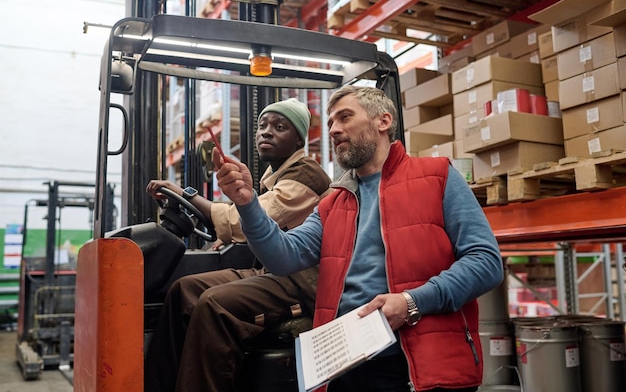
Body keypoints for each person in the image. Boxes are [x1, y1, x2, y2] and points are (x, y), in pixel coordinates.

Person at [215, 85, 504, 392]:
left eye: (345, 117)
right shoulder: (333, 203)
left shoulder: (438, 176)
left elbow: (486, 263)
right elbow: (284, 256)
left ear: (383, 121)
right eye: (330, 123)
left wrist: (411, 302)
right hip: (344, 363)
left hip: (415, 365)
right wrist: (247, 205)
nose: (334, 129)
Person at [144, 98, 332, 392]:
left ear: (298, 138)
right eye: (262, 126)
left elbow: (240, 219)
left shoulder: (305, 177)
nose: (266, 132)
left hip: (301, 281)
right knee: (183, 289)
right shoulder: (276, 176)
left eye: (279, 127)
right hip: (273, 272)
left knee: (214, 304)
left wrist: (187, 195)